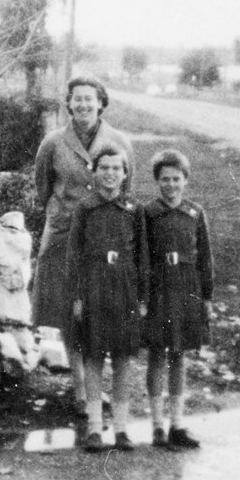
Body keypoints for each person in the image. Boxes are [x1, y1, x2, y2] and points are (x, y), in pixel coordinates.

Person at [32, 77, 135, 418]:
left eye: (89, 100)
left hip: (104, 236)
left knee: (101, 306)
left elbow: (124, 188)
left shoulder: (118, 141)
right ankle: (80, 389)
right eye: (77, 100)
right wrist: (61, 214)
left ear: (101, 103)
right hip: (63, 234)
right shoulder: (53, 142)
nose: (83, 106)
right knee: (66, 309)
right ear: (69, 104)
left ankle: (98, 385)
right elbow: (42, 186)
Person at [66, 145, 148, 452]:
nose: (110, 174)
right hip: (94, 289)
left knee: (124, 359)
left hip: (125, 289)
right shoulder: (85, 208)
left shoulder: (134, 209)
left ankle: (122, 428)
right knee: (94, 356)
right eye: (104, 168)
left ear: (125, 174)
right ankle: (94, 428)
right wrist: (76, 296)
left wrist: (142, 298)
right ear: (94, 172)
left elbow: (143, 256)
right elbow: (74, 255)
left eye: (116, 168)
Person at [144, 149, 215, 449]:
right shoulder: (148, 213)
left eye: (176, 179)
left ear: (185, 180)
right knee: (157, 354)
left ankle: (177, 424)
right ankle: (157, 426)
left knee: (179, 355)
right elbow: (143, 257)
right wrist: (143, 296)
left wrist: (207, 296)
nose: (170, 185)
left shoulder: (195, 213)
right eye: (164, 179)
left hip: (187, 287)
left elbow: (205, 258)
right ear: (157, 181)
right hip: (160, 285)